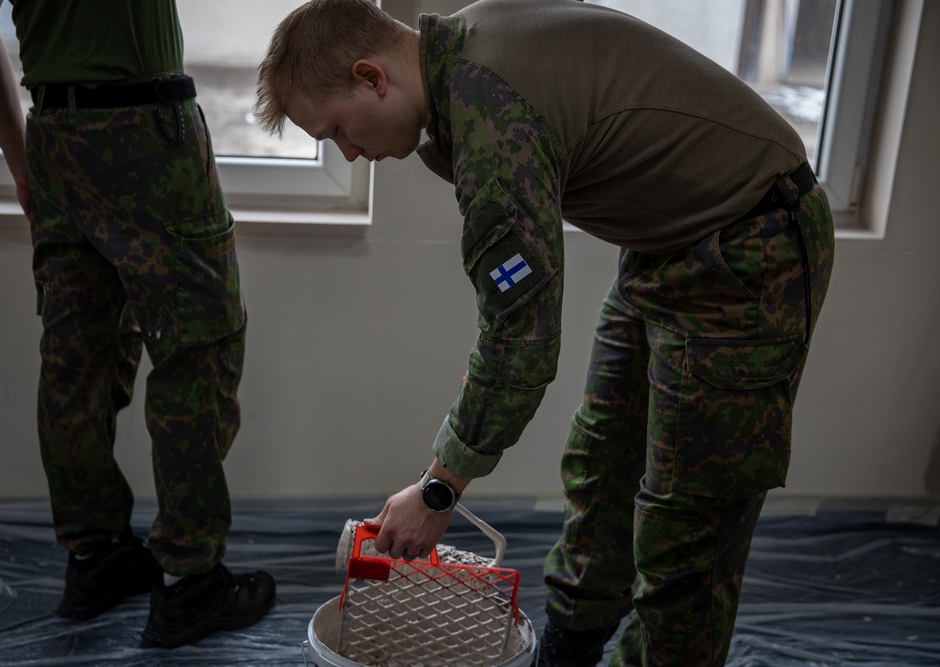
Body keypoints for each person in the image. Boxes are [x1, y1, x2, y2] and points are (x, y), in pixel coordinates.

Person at [256, 0, 834, 665]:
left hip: (750, 246)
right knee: (603, 467)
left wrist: (439, 488)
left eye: (336, 130)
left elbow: (521, 341)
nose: (349, 151)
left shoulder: (491, 114)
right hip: (666, 244)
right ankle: (565, 653)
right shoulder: (459, 58)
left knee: (688, 525)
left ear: (372, 77)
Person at [0, 0, 276, 649]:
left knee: (77, 350)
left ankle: (95, 555)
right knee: (198, 345)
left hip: (55, 133)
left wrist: (23, 164)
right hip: (146, 127)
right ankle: (189, 580)